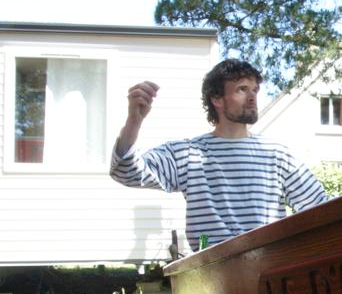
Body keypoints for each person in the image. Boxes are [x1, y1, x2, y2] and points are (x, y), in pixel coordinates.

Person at [109, 58, 328, 252]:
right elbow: (125, 172)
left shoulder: (277, 155)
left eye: (255, 90)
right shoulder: (188, 154)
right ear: (217, 99)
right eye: (242, 89)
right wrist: (134, 121)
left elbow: (320, 209)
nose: (252, 97)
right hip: (212, 279)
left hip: (269, 275)